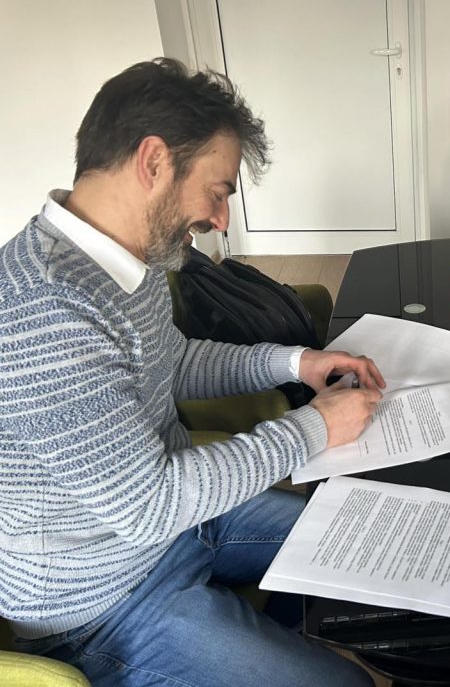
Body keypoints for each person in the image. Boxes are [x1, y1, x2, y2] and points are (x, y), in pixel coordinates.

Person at [0, 58, 386, 686]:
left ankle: (272, 632)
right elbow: (147, 506)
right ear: (154, 161)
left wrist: (296, 362)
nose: (221, 219)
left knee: (372, 543)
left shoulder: (130, 260)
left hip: (185, 523)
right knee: (346, 684)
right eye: (218, 191)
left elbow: (172, 362)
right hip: (101, 603)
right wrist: (315, 427)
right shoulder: (43, 309)